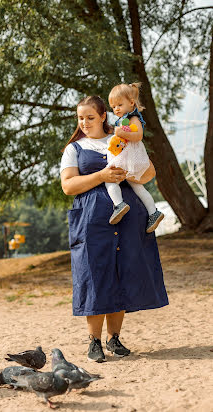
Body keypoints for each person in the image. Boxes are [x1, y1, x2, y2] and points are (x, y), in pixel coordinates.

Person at [60, 95, 169, 363]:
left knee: (121, 275)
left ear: (103, 116)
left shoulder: (121, 139)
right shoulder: (74, 149)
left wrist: (131, 174)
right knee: (95, 277)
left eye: (90, 117)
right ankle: (94, 342)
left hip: (128, 219)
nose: (84, 123)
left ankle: (115, 339)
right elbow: (68, 186)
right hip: (92, 223)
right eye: (80, 118)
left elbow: (148, 171)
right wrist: (102, 176)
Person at [105, 83, 164, 232]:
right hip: (129, 156)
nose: (116, 109)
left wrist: (121, 134)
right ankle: (153, 212)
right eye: (113, 107)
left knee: (109, 178)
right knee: (137, 186)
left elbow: (138, 136)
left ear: (131, 103)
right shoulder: (125, 119)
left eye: (119, 104)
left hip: (131, 156)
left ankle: (119, 204)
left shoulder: (134, 117)